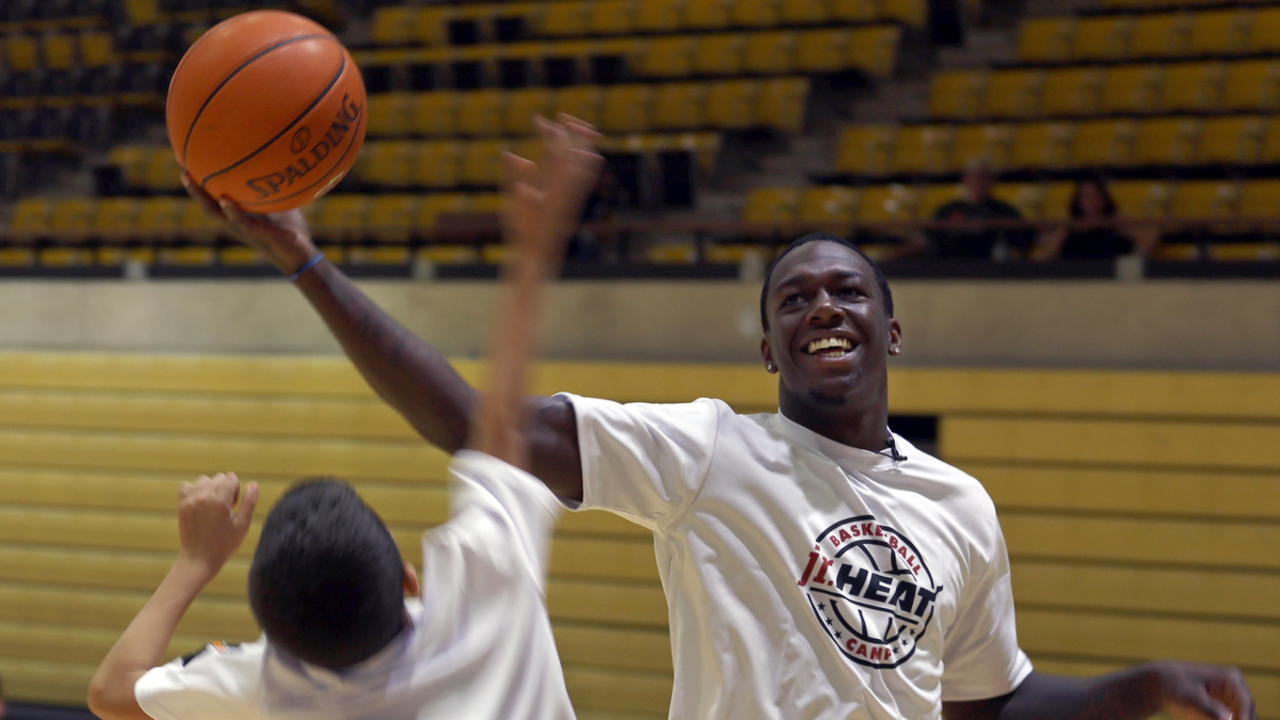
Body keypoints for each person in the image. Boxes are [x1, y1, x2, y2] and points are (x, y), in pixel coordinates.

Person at [190, 117, 1256, 720]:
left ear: (892, 331)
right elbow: (477, 422)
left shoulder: (959, 506)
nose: (822, 305)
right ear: (766, 349)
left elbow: (986, 704)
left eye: (846, 292)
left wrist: (1139, 686)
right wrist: (306, 260)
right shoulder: (707, 450)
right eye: (792, 298)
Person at [85, 117, 605, 720]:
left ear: (273, 639)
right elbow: (500, 430)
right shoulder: (488, 609)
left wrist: (194, 562)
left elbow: (111, 692)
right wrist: (534, 251)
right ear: (410, 583)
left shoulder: (263, 684)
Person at [1031, 174, 1160, 261]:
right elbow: (1044, 254)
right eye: (1085, 196)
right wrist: (1064, 230)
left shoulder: (1117, 222)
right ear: (1078, 200)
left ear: (1104, 198)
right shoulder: (1069, 226)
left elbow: (1150, 236)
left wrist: (1131, 263)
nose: (1090, 201)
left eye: (1095, 195)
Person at [923, 160, 1034, 260]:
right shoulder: (947, 209)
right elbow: (929, 239)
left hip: (994, 273)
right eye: (975, 176)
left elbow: (1021, 243)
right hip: (949, 271)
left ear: (992, 180)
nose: (979, 182)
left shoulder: (1005, 210)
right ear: (965, 179)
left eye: (984, 177)